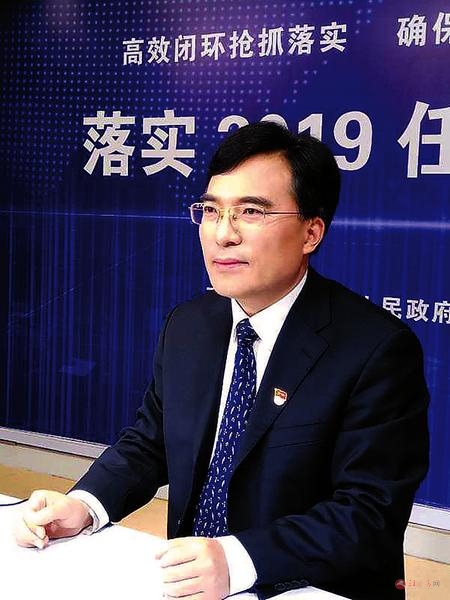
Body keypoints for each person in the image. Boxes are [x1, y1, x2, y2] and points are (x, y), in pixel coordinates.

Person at [14, 122, 429, 600]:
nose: (222, 234)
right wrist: (84, 505)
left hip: (305, 588)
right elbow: (150, 442)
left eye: (250, 212)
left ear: (311, 232)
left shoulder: (376, 348)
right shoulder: (189, 325)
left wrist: (236, 560)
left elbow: (369, 512)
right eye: (211, 211)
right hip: (190, 584)